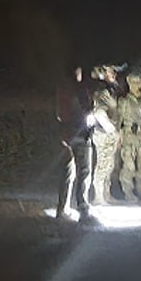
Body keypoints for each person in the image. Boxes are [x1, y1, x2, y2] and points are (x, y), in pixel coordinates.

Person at [55, 64, 93, 219]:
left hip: (66, 136)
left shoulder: (61, 90)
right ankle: (82, 207)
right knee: (84, 171)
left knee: (67, 172)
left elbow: (59, 114)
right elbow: (88, 111)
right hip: (81, 135)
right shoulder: (81, 90)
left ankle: (62, 208)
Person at [117, 70, 141, 202]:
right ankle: (128, 193)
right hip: (128, 135)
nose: (135, 85)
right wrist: (119, 138)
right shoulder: (124, 101)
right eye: (132, 82)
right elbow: (119, 121)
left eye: (138, 82)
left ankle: (140, 190)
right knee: (129, 166)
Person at [90, 65, 121, 205]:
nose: (113, 74)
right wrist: (111, 128)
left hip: (110, 133)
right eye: (110, 71)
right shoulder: (102, 92)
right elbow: (99, 112)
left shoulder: (111, 90)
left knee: (109, 165)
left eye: (114, 72)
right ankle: (98, 196)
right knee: (103, 165)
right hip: (103, 134)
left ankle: (106, 194)